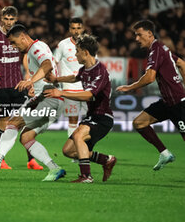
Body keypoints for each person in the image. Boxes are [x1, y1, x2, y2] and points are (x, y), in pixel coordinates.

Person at [0, 24, 66, 181]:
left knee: (13, 123)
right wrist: (34, 86)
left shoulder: (36, 47)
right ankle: (54, 168)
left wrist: (30, 81)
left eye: (15, 43)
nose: (15, 47)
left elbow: (47, 65)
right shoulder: (35, 49)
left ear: (23, 37)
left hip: (49, 98)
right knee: (26, 138)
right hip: (44, 99)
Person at [44, 34, 117, 183]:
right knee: (68, 151)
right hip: (91, 116)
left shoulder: (100, 71)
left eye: (77, 51)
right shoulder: (85, 69)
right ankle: (106, 160)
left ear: (85, 52)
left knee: (78, 136)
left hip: (103, 117)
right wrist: (57, 79)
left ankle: (86, 176)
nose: (75, 54)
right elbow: (75, 77)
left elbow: (89, 95)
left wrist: (61, 93)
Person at [0, 6, 43, 170]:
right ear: (1, 19)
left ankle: (31, 160)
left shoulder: (19, 35)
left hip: (18, 85)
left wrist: (28, 74)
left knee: (24, 121)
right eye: (6, 19)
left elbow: (27, 54)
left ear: (16, 19)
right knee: (3, 122)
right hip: (0, 85)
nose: (8, 22)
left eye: (11, 19)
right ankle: (1, 159)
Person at [116, 20, 185, 171]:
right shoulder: (161, 48)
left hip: (179, 103)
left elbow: (149, 78)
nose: (136, 39)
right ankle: (165, 153)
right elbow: (181, 64)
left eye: (139, 35)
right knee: (139, 123)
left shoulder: (156, 49)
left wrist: (130, 87)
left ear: (149, 34)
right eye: (135, 35)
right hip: (168, 102)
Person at [54, 17, 87, 137]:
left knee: (89, 119)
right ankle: (72, 152)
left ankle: (86, 148)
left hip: (86, 89)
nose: (76, 31)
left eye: (79, 28)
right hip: (69, 88)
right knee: (73, 120)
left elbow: (94, 63)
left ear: (83, 28)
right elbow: (54, 62)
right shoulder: (63, 44)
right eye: (73, 28)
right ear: (69, 29)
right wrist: (55, 80)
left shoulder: (89, 43)